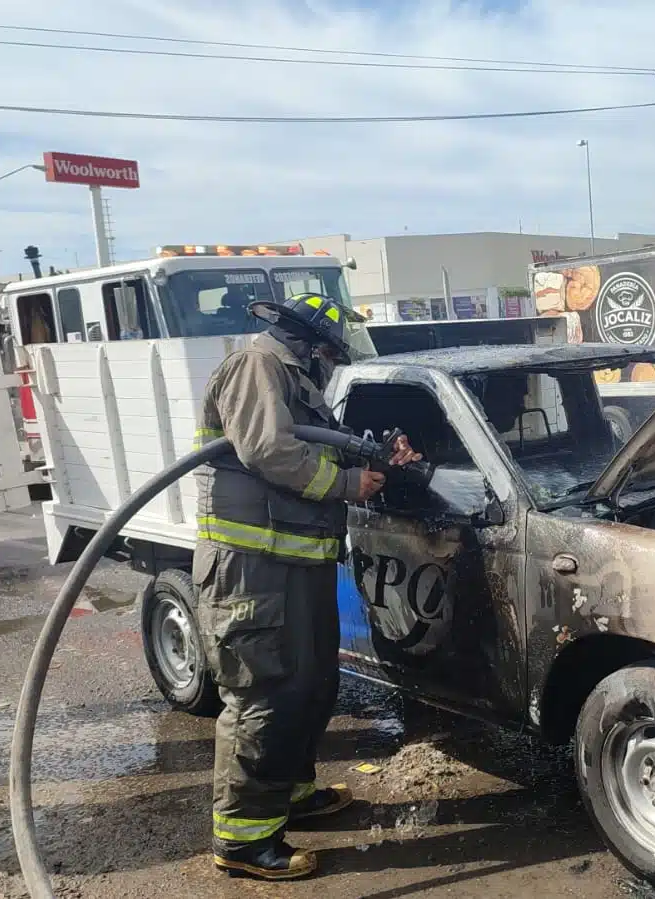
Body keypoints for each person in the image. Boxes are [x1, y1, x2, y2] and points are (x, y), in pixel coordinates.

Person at [193, 291, 419, 881]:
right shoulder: (257, 366)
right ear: (307, 343)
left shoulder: (295, 380)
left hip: (296, 566)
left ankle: (290, 794)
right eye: (327, 350)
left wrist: (380, 458)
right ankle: (243, 841)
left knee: (309, 686)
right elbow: (269, 450)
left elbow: (317, 445)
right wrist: (348, 484)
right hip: (253, 569)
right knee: (264, 697)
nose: (330, 361)